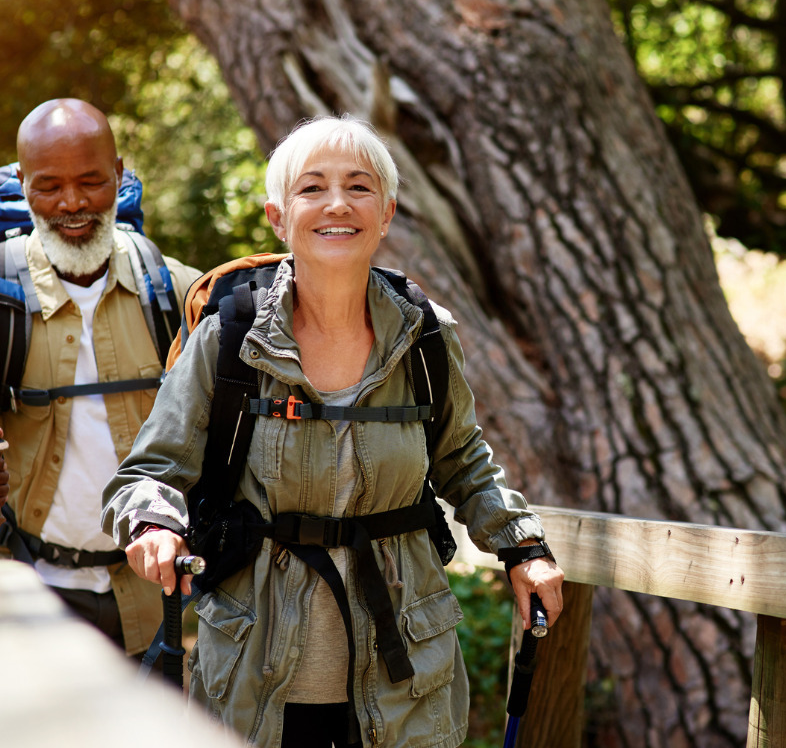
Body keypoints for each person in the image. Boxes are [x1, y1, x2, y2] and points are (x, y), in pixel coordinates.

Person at [102, 115, 565, 747]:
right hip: (255, 669)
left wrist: (523, 547)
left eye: (359, 186)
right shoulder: (231, 337)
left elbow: (463, 461)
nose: (337, 204)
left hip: (405, 670)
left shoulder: (425, 336)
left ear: (388, 212)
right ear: (277, 215)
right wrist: (154, 523)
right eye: (312, 188)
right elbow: (151, 472)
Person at [0, 98, 203, 657]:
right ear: (23, 184)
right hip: (23, 592)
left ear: (119, 174)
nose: (72, 203)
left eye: (91, 181)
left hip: (151, 598)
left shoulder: (177, 294)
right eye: (48, 186)